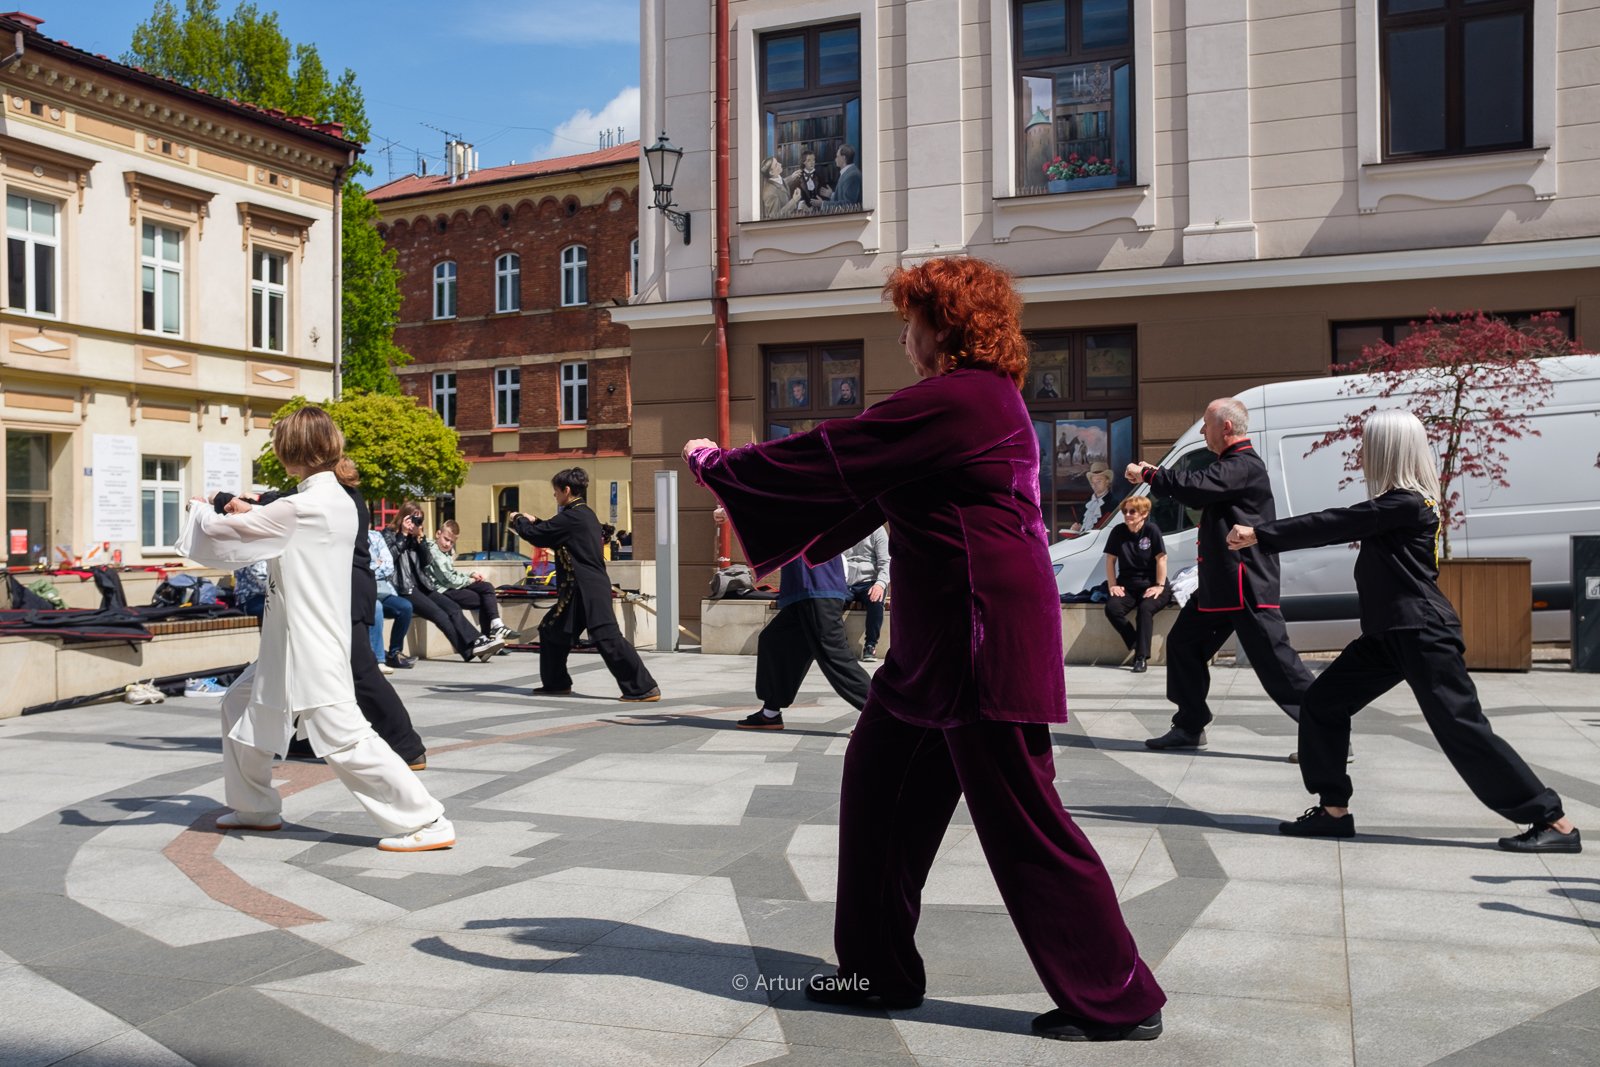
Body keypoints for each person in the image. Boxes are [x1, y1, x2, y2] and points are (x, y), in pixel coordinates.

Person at [682, 256, 1165, 1042]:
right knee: (878, 780)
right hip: (939, 642)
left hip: (980, 635)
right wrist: (764, 510)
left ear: (944, 326)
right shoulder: (971, 402)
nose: (903, 337)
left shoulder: (966, 397)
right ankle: (877, 969)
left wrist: (721, 466)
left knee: (1023, 815)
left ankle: (1119, 995)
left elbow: (838, 450)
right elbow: (870, 490)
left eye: (909, 322)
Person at [1227, 410, 1581, 853]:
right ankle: (1333, 811)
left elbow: (1336, 522)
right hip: (1387, 635)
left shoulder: (1406, 504)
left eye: (1367, 445)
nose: (1361, 453)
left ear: (1388, 450)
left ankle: (1554, 821)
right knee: (1322, 703)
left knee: (1461, 727)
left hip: (1421, 632)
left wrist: (1261, 534)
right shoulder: (1399, 505)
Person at [176, 407, 452, 851]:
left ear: (290, 452)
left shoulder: (303, 506)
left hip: (309, 641)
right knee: (238, 703)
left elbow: (226, 538)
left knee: (343, 735)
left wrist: (198, 509)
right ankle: (254, 807)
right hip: (297, 636)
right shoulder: (334, 499)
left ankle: (426, 819)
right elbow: (272, 518)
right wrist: (244, 508)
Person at [1129, 397, 1315, 753]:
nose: (1202, 430)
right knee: (1183, 644)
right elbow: (1197, 492)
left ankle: (1329, 732)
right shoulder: (1229, 466)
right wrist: (1157, 475)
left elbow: (1195, 486)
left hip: (1246, 583)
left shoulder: (1243, 464)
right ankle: (1189, 725)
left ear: (1226, 427)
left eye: (1206, 423)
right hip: (1221, 584)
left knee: (1277, 662)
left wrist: (1149, 474)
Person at [218, 459, 430, 771]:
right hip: (340, 590)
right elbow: (284, 502)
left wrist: (231, 501)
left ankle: (407, 747)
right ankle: (302, 740)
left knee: (360, 672)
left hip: (345, 592)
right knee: (301, 667)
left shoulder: (333, 496)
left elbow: (285, 505)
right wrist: (248, 500)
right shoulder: (334, 494)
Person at [508, 467, 661, 702]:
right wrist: (534, 521)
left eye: (556, 491)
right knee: (551, 630)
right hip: (577, 591)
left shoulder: (573, 516)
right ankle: (556, 684)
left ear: (567, 490)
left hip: (588, 590)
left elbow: (538, 535)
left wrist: (518, 519)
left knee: (607, 637)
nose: (554, 495)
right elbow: (550, 531)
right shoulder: (580, 514)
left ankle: (643, 688)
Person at [726, 504, 871, 729]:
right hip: (802, 591)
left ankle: (883, 715)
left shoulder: (809, 498)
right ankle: (771, 713)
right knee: (774, 641)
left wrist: (731, 511)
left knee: (835, 657)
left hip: (819, 589)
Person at [383, 504, 505, 664]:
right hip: (404, 588)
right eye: (413, 519)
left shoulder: (415, 538)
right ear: (404, 516)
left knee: (453, 608)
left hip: (423, 585)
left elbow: (426, 561)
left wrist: (420, 538)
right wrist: (403, 535)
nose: (415, 523)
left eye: (419, 520)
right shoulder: (389, 534)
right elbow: (388, 558)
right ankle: (476, 644)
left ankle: (473, 650)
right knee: (440, 615)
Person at [1101, 496, 1171, 673]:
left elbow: (1161, 558)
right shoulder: (1118, 531)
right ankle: (1134, 641)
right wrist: (1112, 585)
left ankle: (1141, 658)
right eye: (1125, 511)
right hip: (1128, 585)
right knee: (1112, 608)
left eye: (1132, 511)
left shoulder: (1151, 530)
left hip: (1153, 584)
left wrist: (1159, 585)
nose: (1127, 515)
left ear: (1144, 514)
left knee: (1145, 609)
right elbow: (1110, 560)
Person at [428, 519, 518, 642]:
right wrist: (470, 580)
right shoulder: (435, 553)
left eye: (452, 542)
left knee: (486, 588)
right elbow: (449, 580)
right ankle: (491, 633)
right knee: (484, 598)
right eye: (446, 539)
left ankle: (495, 628)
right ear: (438, 534)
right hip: (443, 590)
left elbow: (452, 574)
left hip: (451, 586)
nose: (448, 544)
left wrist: (471, 574)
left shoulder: (444, 552)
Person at [368, 527, 416, 671]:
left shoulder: (375, 536)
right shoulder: (352, 536)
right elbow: (360, 568)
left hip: (381, 589)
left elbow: (389, 566)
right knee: (376, 608)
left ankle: (394, 653)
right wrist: (377, 564)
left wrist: (373, 568)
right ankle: (377, 659)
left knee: (405, 607)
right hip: (364, 590)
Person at [843, 524, 890, 662]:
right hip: (846, 581)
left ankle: (870, 645)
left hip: (870, 581)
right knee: (830, 603)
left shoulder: (877, 530)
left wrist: (880, 584)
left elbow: (885, 561)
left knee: (876, 600)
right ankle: (841, 646)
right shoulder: (842, 528)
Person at [1071, 462, 1117, 533]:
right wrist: (1076, 528)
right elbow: (1081, 524)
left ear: (1107, 481)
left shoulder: (1113, 503)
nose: (1095, 485)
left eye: (1098, 481)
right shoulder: (1088, 502)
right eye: (1092, 482)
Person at [825, 144, 861, 208]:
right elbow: (843, 197)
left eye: (837, 156)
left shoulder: (852, 176)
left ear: (843, 158)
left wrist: (822, 204)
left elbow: (849, 204)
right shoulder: (848, 172)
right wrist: (831, 195)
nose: (835, 159)